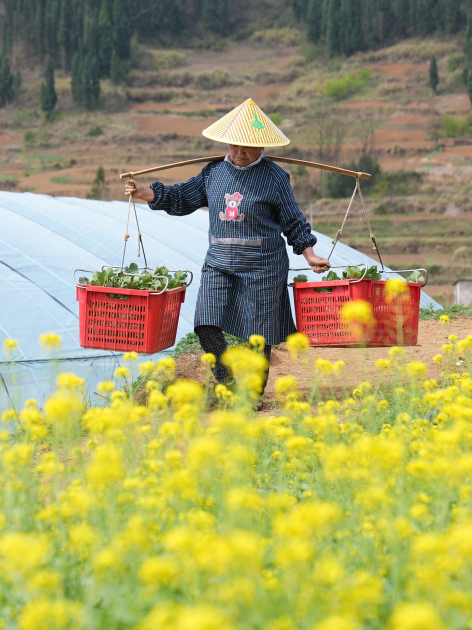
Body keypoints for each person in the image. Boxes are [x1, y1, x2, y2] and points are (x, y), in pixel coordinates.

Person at [122, 98, 330, 403]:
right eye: (233, 146)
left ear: (262, 147)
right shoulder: (213, 173)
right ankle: (228, 382)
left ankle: (253, 395)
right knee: (205, 324)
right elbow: (182, 196)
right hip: (219, 262)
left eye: (246, 147)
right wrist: (145, 193)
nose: (239, 153)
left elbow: (293, 221)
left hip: (264, 265)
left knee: (258, 337)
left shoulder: (275, 178)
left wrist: (309, 255)